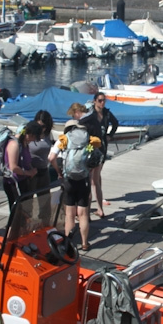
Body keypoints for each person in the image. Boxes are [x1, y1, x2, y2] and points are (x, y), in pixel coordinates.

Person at [49, 106, 93, 251]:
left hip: (69, 178)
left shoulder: (64, 139)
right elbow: (93, 157)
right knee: (83, 214)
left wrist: (59, 172)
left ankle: (69, 244)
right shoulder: (87, 138)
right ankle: (85, 243)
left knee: (70, 214)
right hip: (84, 178)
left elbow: (51, 157)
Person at [80, 91, 119, 217]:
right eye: (100, 100)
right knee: (94, 179)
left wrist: (110, 135)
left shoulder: (106, 113)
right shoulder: (91, 114)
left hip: (102, 147)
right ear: (95, 101)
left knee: (94, 179)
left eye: (104, 100)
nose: (102, 103)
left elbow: (115, 123)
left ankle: (97, 209)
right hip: (92, 148)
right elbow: (81, 123)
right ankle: (93, 209)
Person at [3, 121, 40, 210]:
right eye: (34, 137)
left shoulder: (24, 144)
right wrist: (29, 173)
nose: (34, 140)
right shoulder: (14, 144)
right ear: (29, 134)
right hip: (13, 182)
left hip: (23, 181)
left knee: (26, 209)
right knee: (18, 210)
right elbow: (13, 167)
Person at [29, 109, 56, 225]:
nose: (41, 128)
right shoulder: (30, 133)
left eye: (43, 126)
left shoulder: (48, 135)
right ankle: (26, 224)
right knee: (28, 202)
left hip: (44, 171)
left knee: (45, 202)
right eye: (38, 125)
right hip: (30, 172)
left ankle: (45, 225)